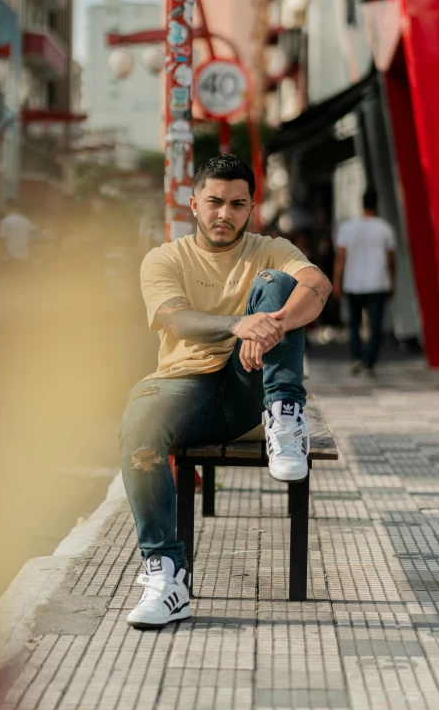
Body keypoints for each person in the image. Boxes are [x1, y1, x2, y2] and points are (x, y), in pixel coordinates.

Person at [119, 154, 331, 630]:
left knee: (279, 284)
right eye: (214, 202)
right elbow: (177, 318)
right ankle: (166, 575)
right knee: (138, 424)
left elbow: (317, 283)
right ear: (193, 203)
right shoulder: (165, 258)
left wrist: (269, 326)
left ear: (250, 207)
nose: (224, 213)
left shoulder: (269, 248)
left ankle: (285, 415)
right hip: (184, 385)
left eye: (237, 204)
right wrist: (241, 325)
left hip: (248, 390)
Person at [333, 189, 396, 376]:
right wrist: (392, 280)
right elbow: (391, 259)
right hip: (377, 282)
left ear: (362, 204)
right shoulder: (385, 228)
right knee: (375, 324)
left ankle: (356, 357)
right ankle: (369, 360)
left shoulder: (347, 227)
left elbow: (341, 257)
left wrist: (336, 281)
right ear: (376, 204)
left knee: (354, 323)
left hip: (353, 282)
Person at [0, 199, 37, 271]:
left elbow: (2, 242)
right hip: (24, 260)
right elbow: (30, 241)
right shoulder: (26, 221)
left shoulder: (6, 221)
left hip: (10, 259)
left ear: (7, 207)